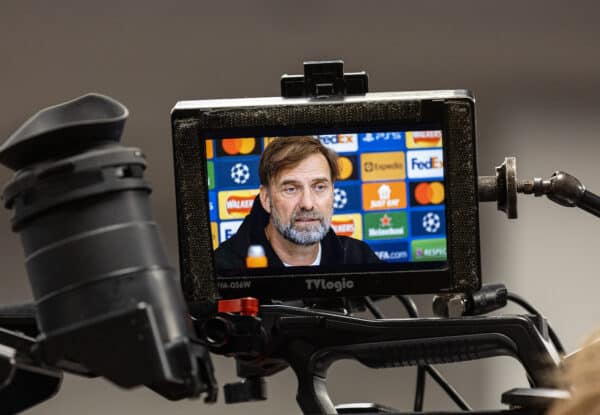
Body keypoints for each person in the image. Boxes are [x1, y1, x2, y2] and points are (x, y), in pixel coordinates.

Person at [214, 135, 381, 269]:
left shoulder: (359, 259)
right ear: (266, 199)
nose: (307, 204)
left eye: (320, 187)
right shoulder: (224, 268)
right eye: (291, 189)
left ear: (332, 193)